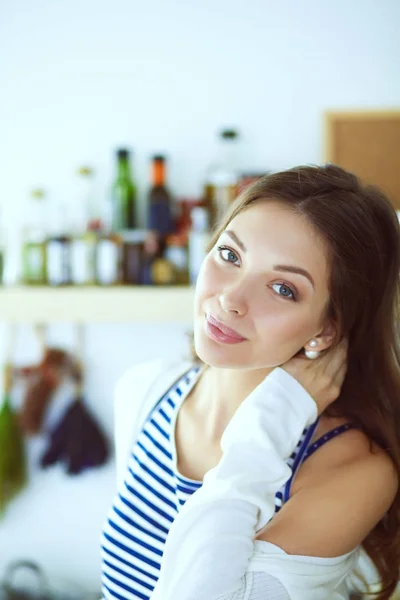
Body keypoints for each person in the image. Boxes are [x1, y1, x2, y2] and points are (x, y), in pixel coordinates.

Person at [100, 164, 400, 600]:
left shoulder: (352, 470)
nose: (230, 299)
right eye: (230, 255)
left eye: (282, 288)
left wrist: (271, 422)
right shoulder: (146, 391)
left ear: (327, 329)